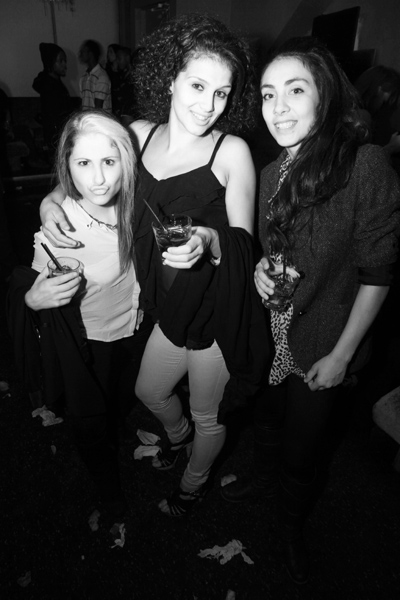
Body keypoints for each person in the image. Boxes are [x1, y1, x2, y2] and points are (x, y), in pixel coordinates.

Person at [38, 14, 268, 518]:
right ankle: (179, 438)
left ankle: (192, 484)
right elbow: (84, 162)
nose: (208, 105)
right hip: (166, 306)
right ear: (169, 79)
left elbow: (244, 245)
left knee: (208, 414)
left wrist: (209, 238)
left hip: (212, 311)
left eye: (221, 93)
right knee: (149, 390)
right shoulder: (138, 134)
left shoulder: (231, 151)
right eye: (197, 86)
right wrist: (50, 201)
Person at [221, 37, 400, 584]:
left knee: (303, 451)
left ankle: (291, 528)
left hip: (325, 337)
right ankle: (263, 479)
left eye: (294, 91)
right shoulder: (271, 171)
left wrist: (343, 355)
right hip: (273, 328)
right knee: (267, 420)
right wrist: (261, 270)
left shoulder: (363, 164)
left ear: (324, 93)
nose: (277, 108)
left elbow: (378, 272)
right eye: (268, 94)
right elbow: (273, 252)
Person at [8, 110, 152, 518]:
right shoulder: (61, 227)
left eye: (109, 161)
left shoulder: (140, 206)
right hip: (90, 343)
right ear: (67, 167)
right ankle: (109, 492)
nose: (99, 179)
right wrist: (32, 299)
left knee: (121, 400)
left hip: (136, 329)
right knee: (89, 422)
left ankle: (114, 429)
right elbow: (31, 287)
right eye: (83, 163)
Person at [32, 42, 73, 162]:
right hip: (56, 138)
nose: (64, 65)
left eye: (65, 61)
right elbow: (53, 115)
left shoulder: (55, 83)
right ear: (50, 63)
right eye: (60, 61)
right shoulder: (49, 86)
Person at [79, 40, 112, 113]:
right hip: (88, 118)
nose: (80, 54)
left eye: (83, 51)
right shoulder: (84, 77)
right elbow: (83, 104)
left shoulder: (101, 76)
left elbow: (98, 108)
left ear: (90, 54)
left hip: (98, 119)